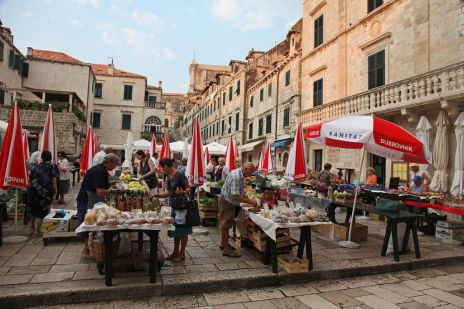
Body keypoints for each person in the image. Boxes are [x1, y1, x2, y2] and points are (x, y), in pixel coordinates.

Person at [76, 153, 120, 256]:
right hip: (86, 199)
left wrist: (113, 184)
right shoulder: (99, 171)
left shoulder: (101, 169)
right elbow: (100, 191)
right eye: (114, 164)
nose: (115, 167)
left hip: (90, 197)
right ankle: (86, 248)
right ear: (108, 162)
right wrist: (113, 191)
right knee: (88, 222)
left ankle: (90, 246)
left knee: (93, 221)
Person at [219, 162, 259, 257]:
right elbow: (235, 196)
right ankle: (226, 249)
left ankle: (224, 243)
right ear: (245, 169)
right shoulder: (236, 177)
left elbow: (239, 192)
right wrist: (250, 202)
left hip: (228, 200)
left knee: (225, 224)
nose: (251, 174)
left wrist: (246, 198)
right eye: (251, 171)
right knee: (225, 224)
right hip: (227, 202)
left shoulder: (240, 173)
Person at [155, 158, 191, 262]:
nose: (162, 169)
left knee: (184, 230)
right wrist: (157, 196)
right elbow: (170, 193)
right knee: (176, 230)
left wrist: (183, 192)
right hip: (175, 206)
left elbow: (188, 188)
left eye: (162, 167)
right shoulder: (169, 176)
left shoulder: (180, 174)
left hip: (182, 207)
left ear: (166, 166)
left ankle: (182, 253)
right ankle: (175, 252)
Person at [28, 151, 59, 237]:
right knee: (41, 211)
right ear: (51, 157)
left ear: (41, 157)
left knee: (33, 209)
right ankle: (37, 232)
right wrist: (55, 189)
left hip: (33, 190)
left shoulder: (35, 166)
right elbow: (54, 178)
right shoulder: (52, 166)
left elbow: (30, 176)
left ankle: (31, 229)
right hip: (45, 192)